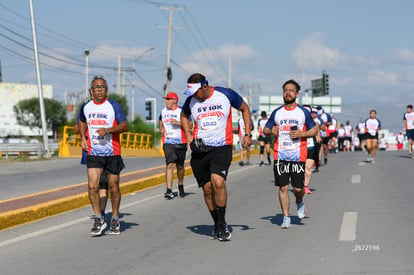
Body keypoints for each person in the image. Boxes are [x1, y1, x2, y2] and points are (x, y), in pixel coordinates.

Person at [180, 73, 252, 241]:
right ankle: (216, 222)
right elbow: (183, 116)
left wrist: (247, 134)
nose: (193, 95)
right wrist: (189, 134)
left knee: (218, 182)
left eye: (195, 91)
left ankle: (221, 224)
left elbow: (245, 109)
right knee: (207, 189)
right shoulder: (191, 100)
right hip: (200, 149)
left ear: (205, 86)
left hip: (222, 147)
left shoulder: (225, 94)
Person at [263, 80, 317, 229]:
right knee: (283, 187)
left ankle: (299, 201)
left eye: (291, 90)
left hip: (298, 155)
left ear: (296, 94)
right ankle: (286, 217)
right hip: (280, 155)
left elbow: (315, 130)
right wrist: (271, 130)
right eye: (285, 90)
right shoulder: (277, 112)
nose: (288, 93)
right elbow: (265, 130)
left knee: (298, 189)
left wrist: (302, 133)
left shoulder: (302, 112)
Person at [79, 75, 129, 236]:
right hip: (94, 153)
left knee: (114, 188)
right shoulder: (86, 107)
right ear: (91, 91)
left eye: (102, 87)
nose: (99, 90)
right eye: (96, 87)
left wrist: (108, 130)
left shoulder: (113, 105)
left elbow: (125, 125)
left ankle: (114, 218)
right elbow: (81, 121)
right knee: (92, 186)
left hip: (112, 153)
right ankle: (99, 218)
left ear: (106, 90)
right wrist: (82, 138)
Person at [75, 109, 109, 219]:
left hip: (105, 151)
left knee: (101, 183)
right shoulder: (85, 110)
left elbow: (76, 129)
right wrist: (84, 137)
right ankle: (99, 213)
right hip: (89, 150)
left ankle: (101, 213)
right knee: (94, 184)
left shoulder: (106, 109)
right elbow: (77, 128)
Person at [159, 92, 187, 199]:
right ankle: (169, 190)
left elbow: (190, 125)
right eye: (166, 99)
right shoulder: (163, 111)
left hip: (181, 142)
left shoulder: (182, 111)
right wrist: (161, 128)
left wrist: (179, 123)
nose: (166, 101)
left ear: (175, 100)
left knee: (180, 166)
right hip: (168, 142)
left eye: (169, 99)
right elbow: (160, 120)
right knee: (170, 164)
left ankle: (180, 185)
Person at [303, 105, 323, 194]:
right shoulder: (296, 122)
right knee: (299, 167)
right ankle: (298, 182)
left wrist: (318, 136)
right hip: (299, 147)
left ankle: (305, 186)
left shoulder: (313, 123)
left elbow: (317, 129)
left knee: (309, 167)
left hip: (310, 146)